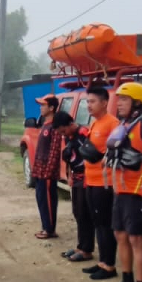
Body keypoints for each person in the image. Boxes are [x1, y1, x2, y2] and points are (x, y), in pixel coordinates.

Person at [103, 81, 142, 282]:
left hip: (138, 190)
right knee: (120, 234)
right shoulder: (124, 124)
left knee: (136, 238)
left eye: (124, 100)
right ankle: (126, 280)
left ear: (137, 102)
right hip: (121, 188)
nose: (119, 103)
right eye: (119, 99)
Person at [79, 83, 119, 281]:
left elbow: (115, 152)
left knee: (105, 224)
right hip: (91, 181)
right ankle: (102, 261)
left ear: (104, 103)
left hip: (105, 183)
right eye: (87, 101)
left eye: (93, 101)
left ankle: (109, 265)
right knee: (97, 223)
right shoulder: (95, 123)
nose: (89, 105)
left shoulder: (112, 124)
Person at [56, 113, 94, 263]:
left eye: (63, 131)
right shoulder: (69, 137)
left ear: (71, 124)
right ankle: (80, 246)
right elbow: (69, 158)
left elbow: (91, 157)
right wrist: (69, 175)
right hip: (76, 177)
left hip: (86, 178)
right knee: (77, 212)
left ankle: (87, 250)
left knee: (84, 213)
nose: (63, 134)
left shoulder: (84, 134)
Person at [30, 95, 62, 240]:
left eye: (43, 105)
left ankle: (49, 229)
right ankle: (45, 227)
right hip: (40, 171)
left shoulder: (54, 126)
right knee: (41, 199)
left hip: (47, 172)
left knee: (48, 200)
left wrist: (49, 171)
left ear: (51, 108)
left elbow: (55, 151)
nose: (41, 108)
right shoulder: (45, 124)